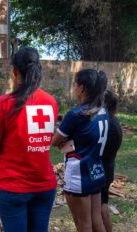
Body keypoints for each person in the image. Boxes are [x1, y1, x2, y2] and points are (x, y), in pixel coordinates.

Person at [0, 47, 58, 232]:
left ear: (14, 72)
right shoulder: (50, 102)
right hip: (44, 184)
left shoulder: (4, 103)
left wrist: (5, 165)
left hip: (12, 186)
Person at [52, 69, 108, 232]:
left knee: (83, 224)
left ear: (82, 88)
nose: (74, 87)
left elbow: (55, 141)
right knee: (96, 220)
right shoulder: (102, 111)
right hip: (96, 171)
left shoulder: (76, 114)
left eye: (75, 84)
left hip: (79, 174)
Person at [101, 90, 123, 232]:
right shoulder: (113, 121)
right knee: (102, 205)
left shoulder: (108, 123)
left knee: (101, 207)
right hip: (107, 168)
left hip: (103, 170)